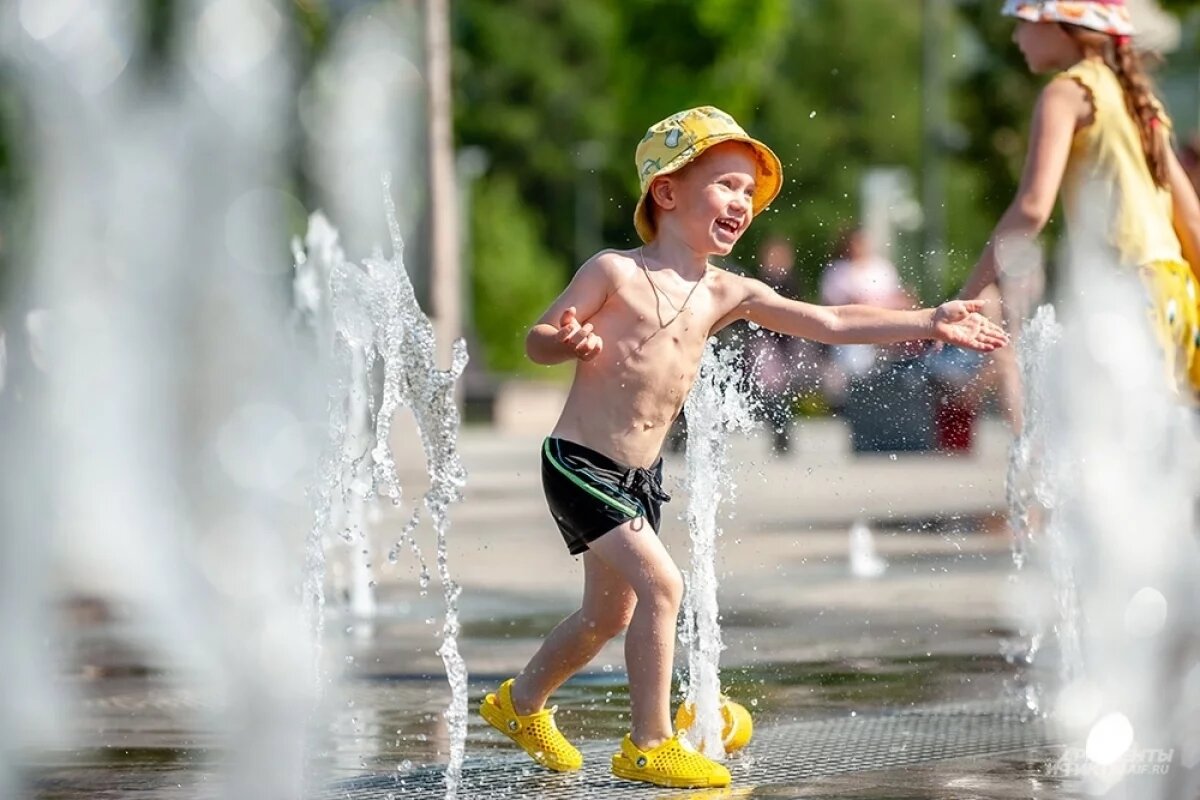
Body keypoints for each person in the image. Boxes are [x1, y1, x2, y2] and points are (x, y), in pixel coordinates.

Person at [478, 106, 1008, 789]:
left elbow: (830, 321)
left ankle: (520, 704)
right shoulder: (614, 272)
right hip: (578, 464)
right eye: (727, 185)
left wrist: (928, 320)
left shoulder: (725, 291)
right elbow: (537, 338)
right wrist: (565, 340)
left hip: (637, 478)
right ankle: (647, 743)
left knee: (607, 615)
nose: (742, 204)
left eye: (748, 195)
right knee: (662, 586)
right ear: (666, 192)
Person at [958, 0, 1200, 395]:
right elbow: (1189, 215)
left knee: (1106, 441)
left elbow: (1033, 208)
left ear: (1058, 25)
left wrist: (968, 296)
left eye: (1022, 22)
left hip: (1126, 287)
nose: (1017, 36)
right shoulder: (1137, 98)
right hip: (1174, 288)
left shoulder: (1066, 93)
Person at [818, 227, 916, 408]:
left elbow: (897, 297)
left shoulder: (881, 267)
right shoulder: (838, 271)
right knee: (856, 368)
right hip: (852, 335)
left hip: (885, 332)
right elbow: (836, 306)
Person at [745, 234, 821, 454]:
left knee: (786, 386)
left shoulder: (792, 279)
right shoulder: (760, 280)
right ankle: (779, 429)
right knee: (771, 386)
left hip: (788, 340)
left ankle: (784, 428)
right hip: (767, 340)